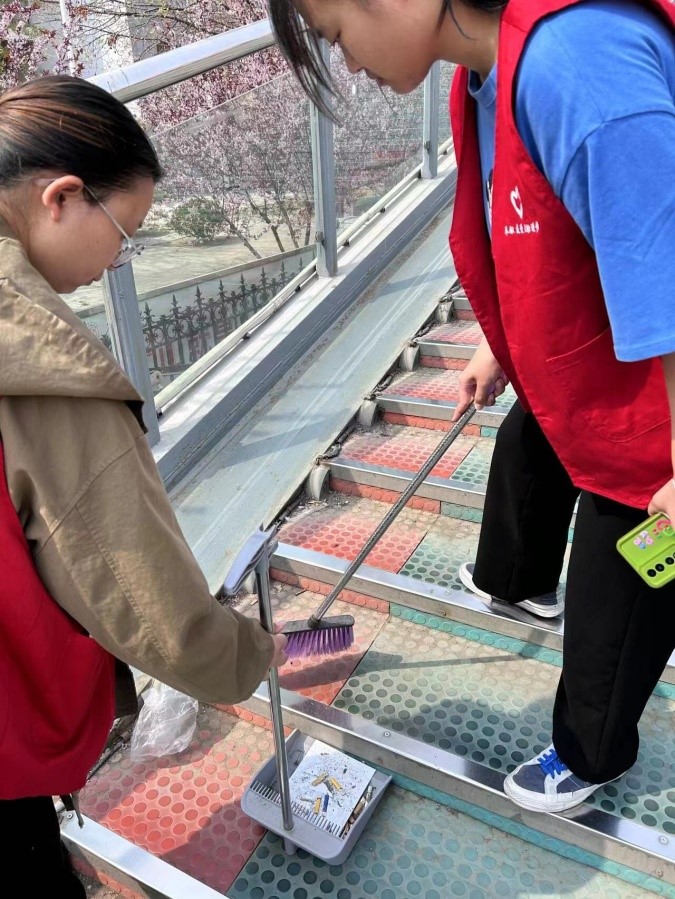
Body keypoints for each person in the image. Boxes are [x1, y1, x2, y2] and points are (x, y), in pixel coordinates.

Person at [268, 0, 675, 813]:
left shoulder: (577, 69)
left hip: (647, 410)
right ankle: (517, 580)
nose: (348, 63)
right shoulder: (484, 75)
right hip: (587, 362)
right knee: (528, 441)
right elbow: (533, 223)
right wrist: (500, 341)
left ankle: (589, 753)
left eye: (336, 34)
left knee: (621, 594)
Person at [0, 76, 287, 896]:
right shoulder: (40, 362)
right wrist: (249, 653)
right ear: (61, 197)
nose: (117, 260)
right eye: (124, 231)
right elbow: (142, 598)